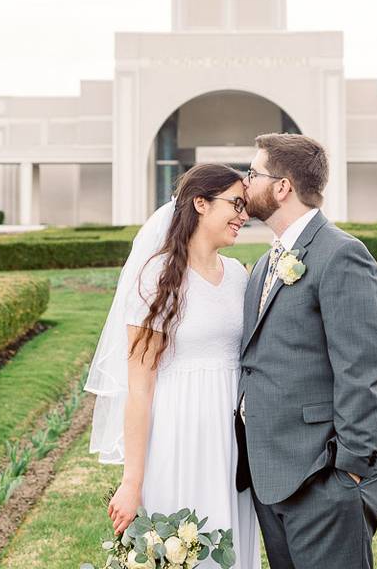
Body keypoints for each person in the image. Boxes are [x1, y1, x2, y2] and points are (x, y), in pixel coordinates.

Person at [235, 133, 377, 569]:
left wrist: (348, 472)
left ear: (282, 187)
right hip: (270, 477)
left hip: (323, 480)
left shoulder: (342, 255)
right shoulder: (267, 263)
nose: (244, 182)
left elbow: (363, 371)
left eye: (253, 173)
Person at [85, 163, 262, 569]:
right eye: (236, 203)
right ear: (200, 203)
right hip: (177, 438)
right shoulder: (157, 279)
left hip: (233, 443)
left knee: (230, 549)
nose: (244, 215)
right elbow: (140, 388)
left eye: (245, 205)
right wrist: (132, 481)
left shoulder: (238, 276)